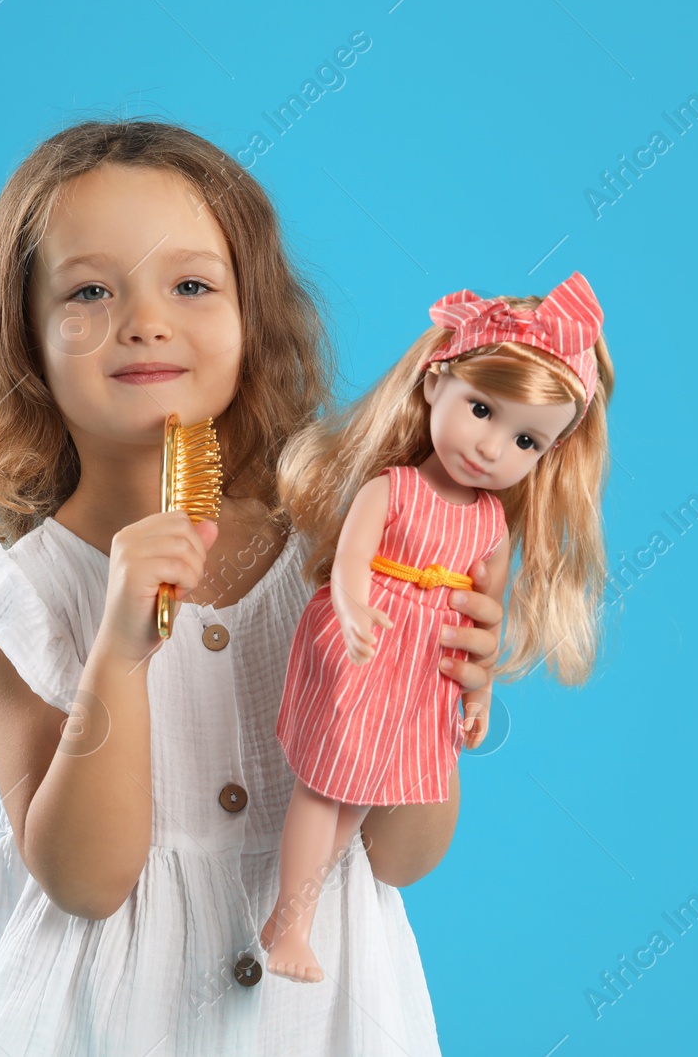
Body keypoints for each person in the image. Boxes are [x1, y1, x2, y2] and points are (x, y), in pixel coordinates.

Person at [0, 117, 505, 1056]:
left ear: (252, 315)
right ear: (25, 338)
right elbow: (87, 880)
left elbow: (401, 855)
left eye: (191, 284)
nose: (145, 318)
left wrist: (427, 674)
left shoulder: (331, 557)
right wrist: (118, 653)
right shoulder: (15, 597)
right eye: (90, 290)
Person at [260, 277, 616, 981]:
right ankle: (292, 923)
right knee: (324, 785)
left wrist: (476, 696)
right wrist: (355, 611)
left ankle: (290, 913)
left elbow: (486, 608)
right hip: (367, 642)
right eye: (480, 410)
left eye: (526, 440)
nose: (491, 448)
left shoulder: (490, 524)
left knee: (359, 793)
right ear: (434, 386)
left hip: (421, 673)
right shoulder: (393, 488)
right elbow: (350, 563)